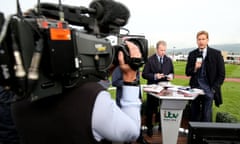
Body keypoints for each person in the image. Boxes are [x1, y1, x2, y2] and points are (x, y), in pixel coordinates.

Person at [11, 41, 142, 144]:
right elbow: (131, 132)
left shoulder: (19, 98)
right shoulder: (92, 98)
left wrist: (106, 72)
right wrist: (130, 78)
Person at [185, 30, 225, 122]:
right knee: (194, 115)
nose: (201, 41)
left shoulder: (216, 54)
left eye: (203, 39)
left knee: (207, 115)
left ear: (207, 40)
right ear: (196, 41)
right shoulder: (192, 54)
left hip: (209, 89)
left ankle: (205, 136)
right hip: (195, 89)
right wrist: (195, 68)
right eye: (199, 39)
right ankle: (194, 135)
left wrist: (214, 89)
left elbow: (221, 75)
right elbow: (187, 72)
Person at [142, 40, 174, 137]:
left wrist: (171, 76)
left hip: (165, 89)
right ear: (157, 49)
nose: (163, 52)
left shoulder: (168, 60)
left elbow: (172, 73)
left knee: (163, 108)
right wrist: (155, 76)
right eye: (161, 50)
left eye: (164, 50)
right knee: (150, 109)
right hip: (153, 89)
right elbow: (144, 74)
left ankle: (161, 126)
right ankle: (149, 127)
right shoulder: (150, 60)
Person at [112, 66, 149, 144]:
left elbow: (137, 82)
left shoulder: (136, 67)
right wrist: (127, 82)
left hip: (135, 99)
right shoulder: (119, 67)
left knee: (137, 120)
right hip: (123, 100)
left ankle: (139, 137)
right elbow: (114, 82)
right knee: (125, 123)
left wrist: (139, 96)